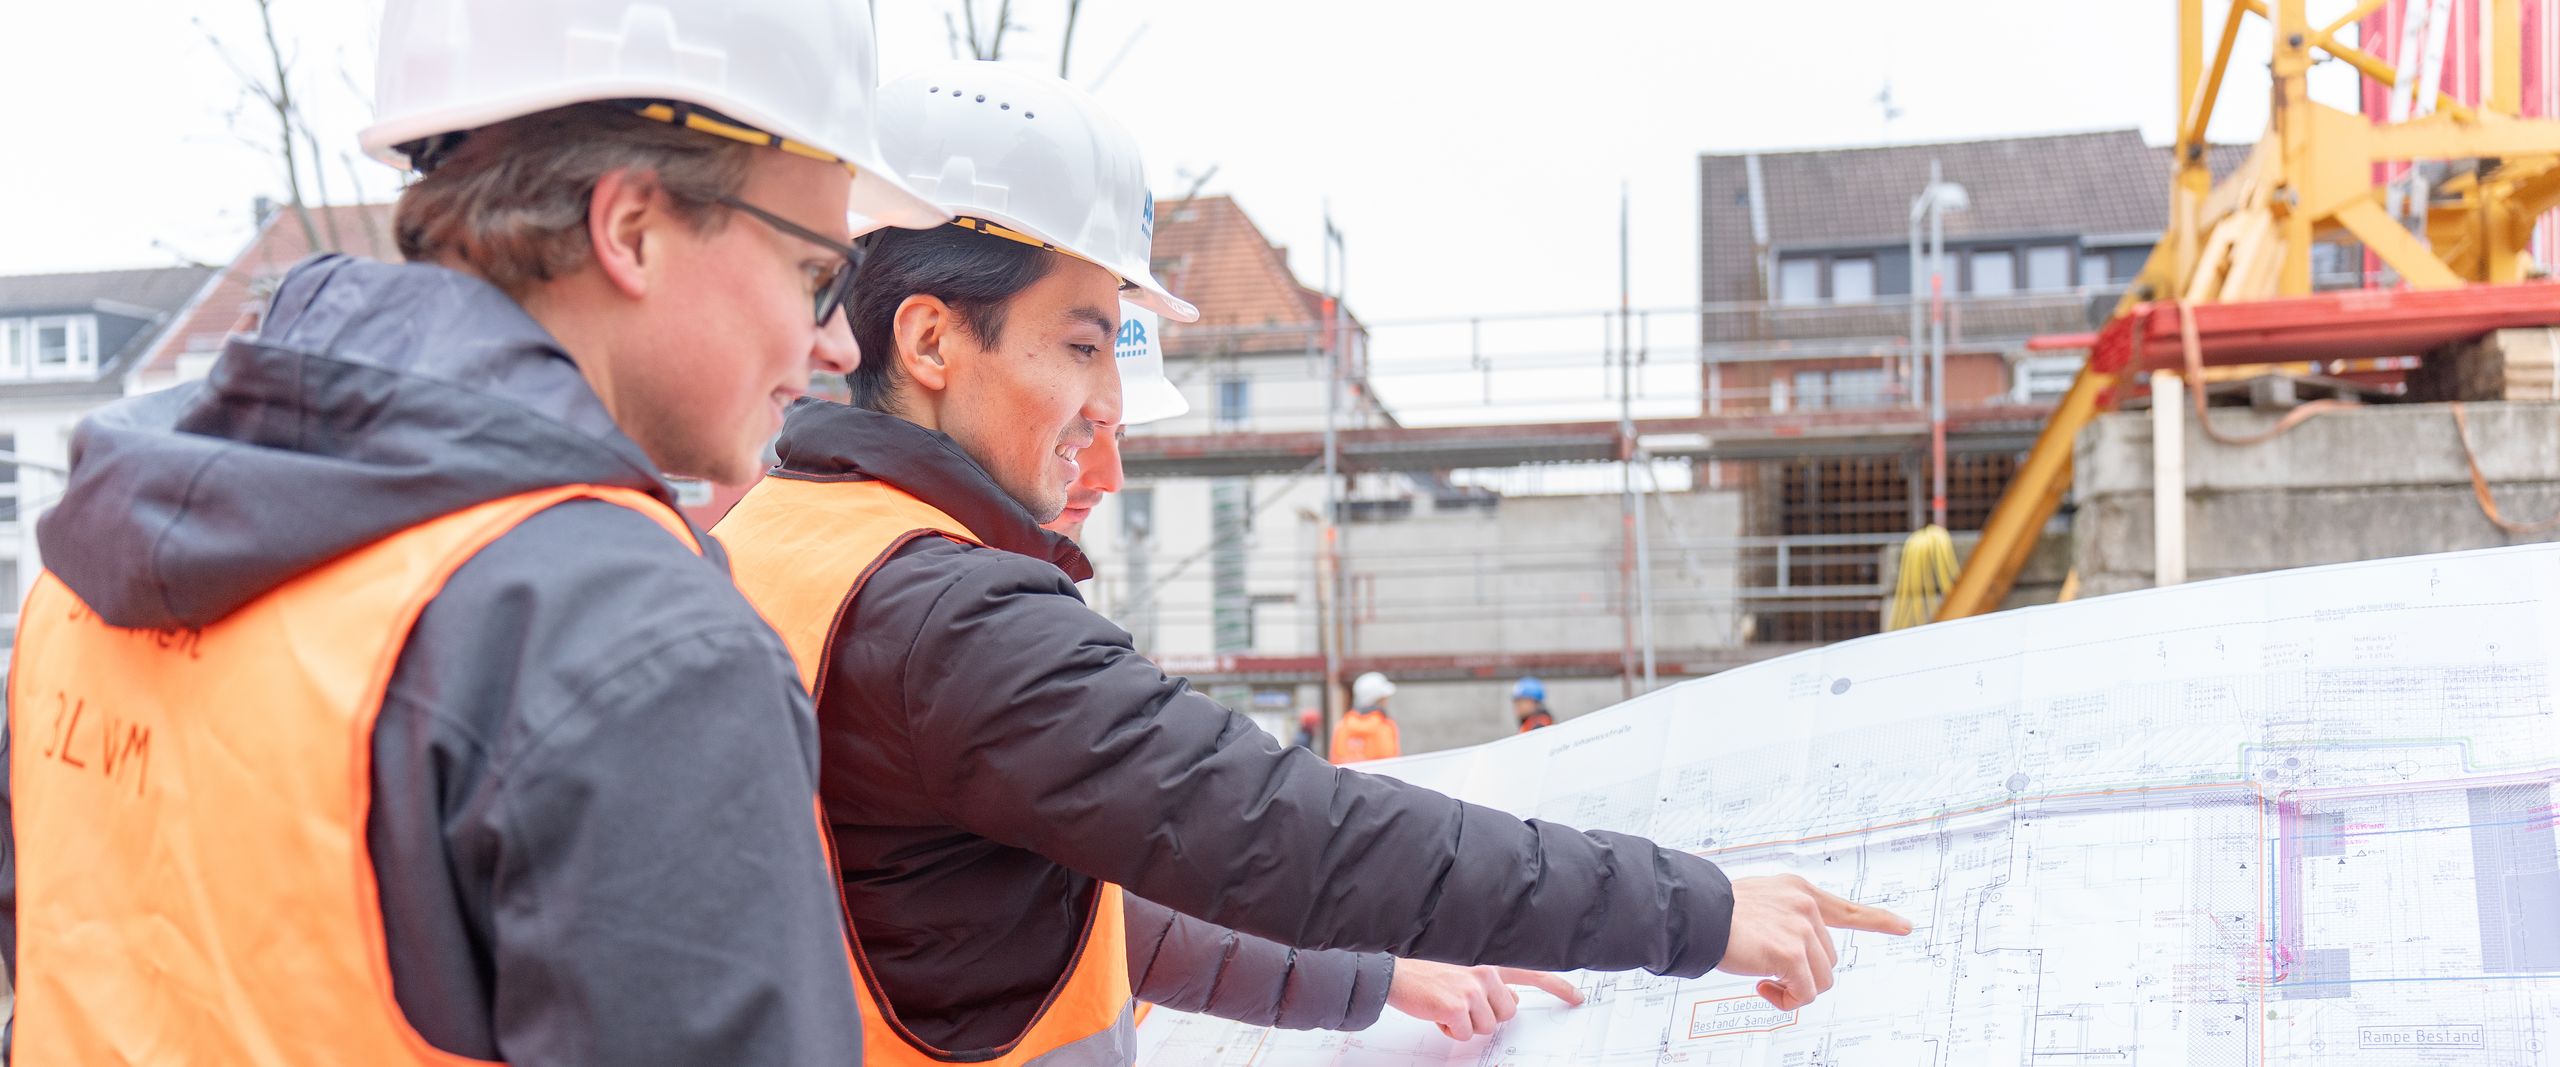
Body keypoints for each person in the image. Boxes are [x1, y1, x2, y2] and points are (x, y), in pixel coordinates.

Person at [716, 59, 1909, 1066]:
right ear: (930, 339)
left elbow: (1059, 909)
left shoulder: (768, 540)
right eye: (1084, 345)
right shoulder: (950, 614)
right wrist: (1701, 908)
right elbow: (1281, 827)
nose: (1104, 406)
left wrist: (1374, 974)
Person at [0, 2, 946, 1063]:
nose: (832, 344)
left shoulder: (87, 568)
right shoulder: (638, 646)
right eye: (820, 273)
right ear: (631, 228)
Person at [1038, 310, 1579, 1041]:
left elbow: (1112, 915)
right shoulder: (991, 637)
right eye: (1083, 428)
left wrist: (1380, 962)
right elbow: (1293, 825)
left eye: (1118, 434)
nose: (1106, 475)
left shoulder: (1022, 617)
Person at [1332, 671, 1406, 763]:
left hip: (1348, 776)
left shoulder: (1343, 725)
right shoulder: (1385, 726)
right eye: (1384, 699)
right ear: (1379, 700)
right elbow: (1392, 763)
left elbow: (1335, 763)